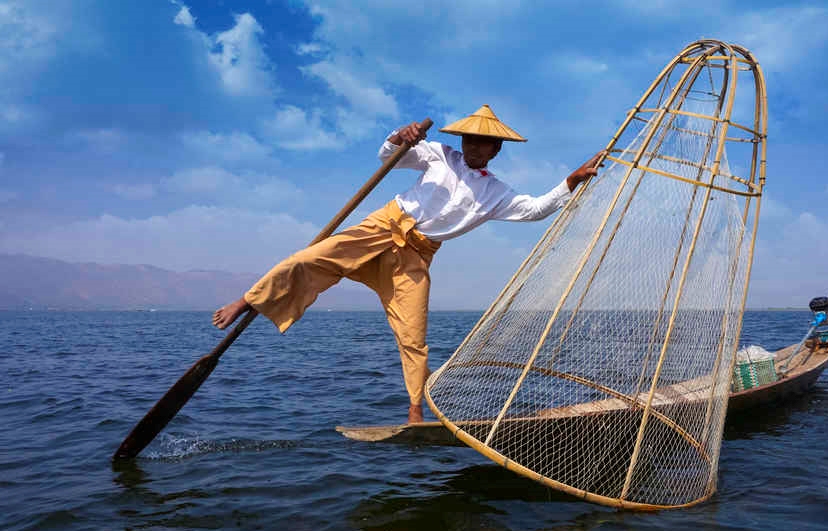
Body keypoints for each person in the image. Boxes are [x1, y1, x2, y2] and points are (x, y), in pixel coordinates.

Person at [212, 105, 603, 423]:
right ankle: (248, 300)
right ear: (462, 140)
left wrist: (570, 182)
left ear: (496, 150)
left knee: (413, 333)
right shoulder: (439, 155)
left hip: (417, 253)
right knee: (307, 259)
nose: (475, 148)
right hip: (385, 226)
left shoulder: (495, 193)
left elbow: (535, 210)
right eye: (471, 140)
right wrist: (400, 136)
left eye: (485, 144)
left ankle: (415, 410)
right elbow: (390, 158)